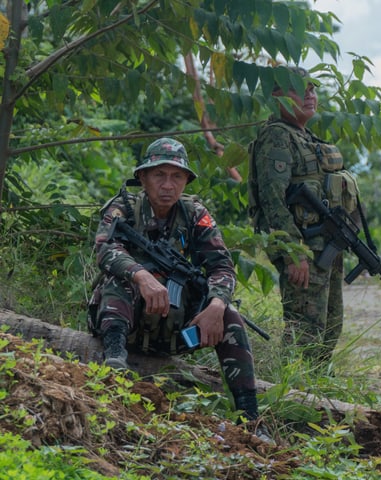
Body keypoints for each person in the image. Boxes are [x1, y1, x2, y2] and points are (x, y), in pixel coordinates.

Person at [88, 137, 269, 439]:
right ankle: (115, 362)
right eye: (159, 175)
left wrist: (216, 306)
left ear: (186, 181)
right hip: (120, 322)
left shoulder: (195, 214)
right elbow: (106, 250)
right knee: (120, 277)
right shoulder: (124, 208)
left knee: (230, 317)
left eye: (176, 177)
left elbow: (221, 267)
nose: (168, 185)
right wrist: (141, 276)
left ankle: (250, 418)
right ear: (143, 177)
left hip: (169, 332)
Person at [248, 66, 360, 367]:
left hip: (325, 247)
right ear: (277, 96)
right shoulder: (276, 137)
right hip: (303, 249)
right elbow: (272, 200)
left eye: (313, 88)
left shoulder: (305, 137)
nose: (310, 94)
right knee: (304, 330)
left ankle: (318, 383)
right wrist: (293, 251)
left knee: (330, 323)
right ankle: (294, 391)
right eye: (301, 88)